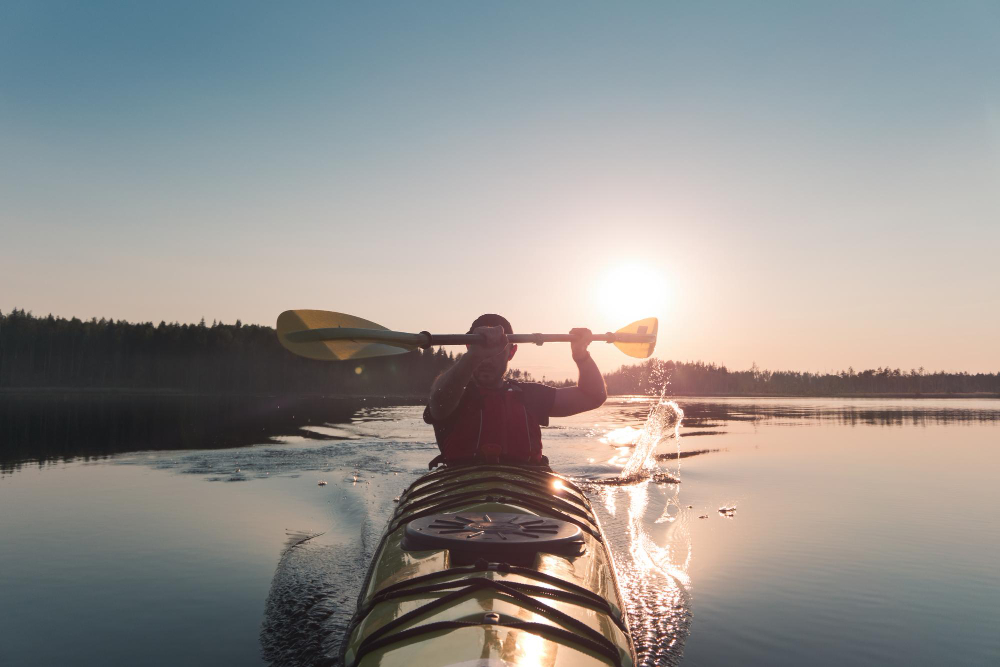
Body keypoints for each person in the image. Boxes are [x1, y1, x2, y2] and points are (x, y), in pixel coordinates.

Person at [424, 314, 607, 467]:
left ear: (511, 352)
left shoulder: (529, 396)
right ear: (468, 348)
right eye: (479, 351)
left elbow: (593, 396)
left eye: (495, 351)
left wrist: (581, 355)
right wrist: (474, 356)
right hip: (462, 496)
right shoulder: (453, 394)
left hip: (526, 493)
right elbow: (439, 402)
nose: (486, 360)